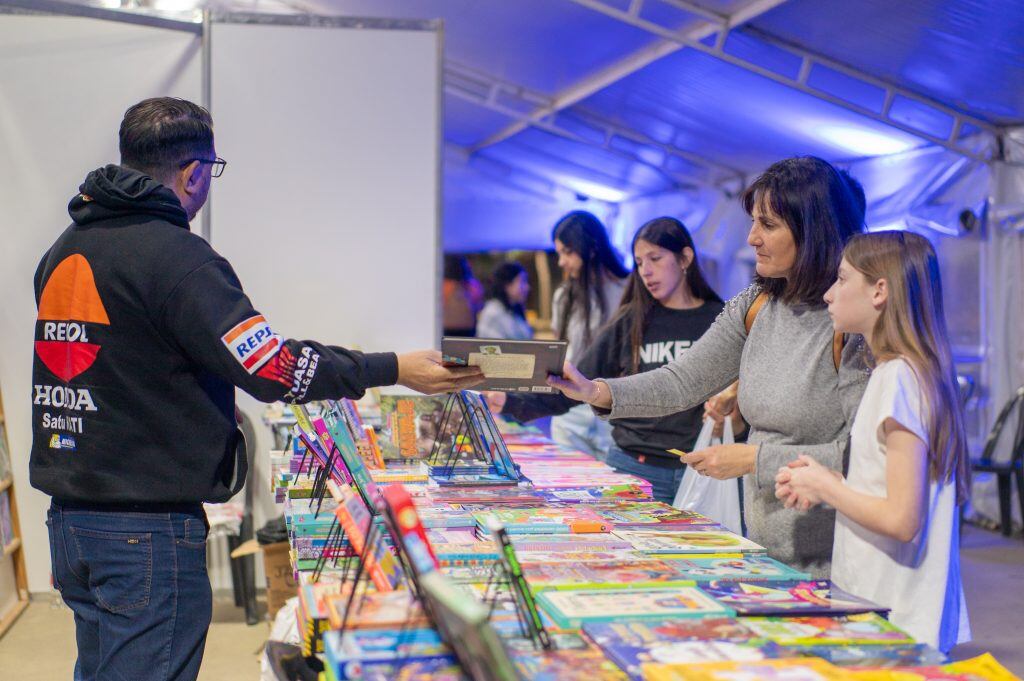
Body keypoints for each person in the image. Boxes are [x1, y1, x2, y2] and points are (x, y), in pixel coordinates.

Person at [31, 97, 482, 681]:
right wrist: (392, 367)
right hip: (145, 528)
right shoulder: (177, 259)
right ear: (194, 172)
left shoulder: (64, 248)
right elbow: (273, 369)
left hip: (72, 520)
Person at [547, 156, 869, 577]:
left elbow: (863, 457)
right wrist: (597, 391)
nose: (751, 238)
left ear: (813, 230)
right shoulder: (756, 304)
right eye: (753, 222)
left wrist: (754, 459)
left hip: (837, 562)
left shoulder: (854, 322)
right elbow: (681, 380)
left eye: (768, 225)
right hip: (766, 553)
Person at [775, 231, 970, 651]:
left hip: (894, 615)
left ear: (879, 290)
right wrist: (825, 481)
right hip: (888, 608)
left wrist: (828, 487)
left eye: (842, 280)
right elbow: (889, 487)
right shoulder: (903, 373)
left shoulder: (900, 377)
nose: (829, 294)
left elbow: (902, 519)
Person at [489, 218, 724, 503]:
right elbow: (579, 381)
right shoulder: (631, 319)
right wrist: (512, 402)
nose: (646, 271)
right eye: (639, 262)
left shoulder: (720, 319)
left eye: (655, 258)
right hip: (635, 466)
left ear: (685, 258)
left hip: (702, 471)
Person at [550, 211, 630, 459]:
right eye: (559, 253)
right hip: (570, 414)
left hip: (613, 409)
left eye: (567, 252)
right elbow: (560, 349)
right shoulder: (563, 296)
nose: (561, 262)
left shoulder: (627, 292)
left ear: (591, 248)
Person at [476, 261, 533, 340]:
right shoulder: (493, 313)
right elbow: (496, 348)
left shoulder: (514, 310)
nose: (527, 287)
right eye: (522, 282)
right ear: (507, 285)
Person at [442, 255, 485, 337]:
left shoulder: (442, 286)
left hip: (449, 330)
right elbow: (479, 308)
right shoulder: (473, 286)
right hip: (466, 331)